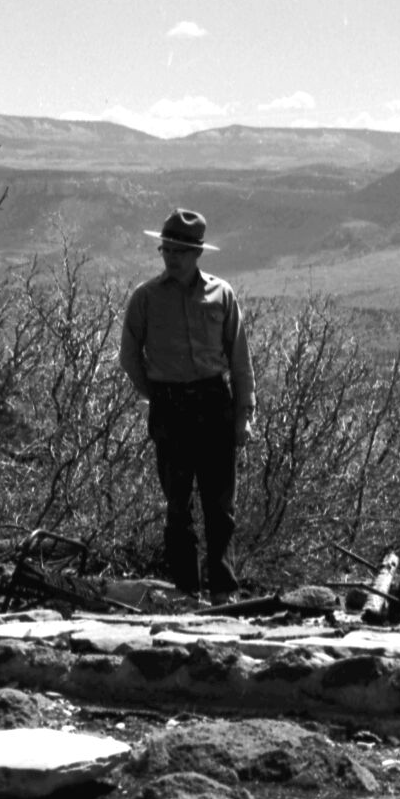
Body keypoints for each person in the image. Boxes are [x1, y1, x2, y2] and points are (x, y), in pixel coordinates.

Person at [120, 209, 252, 598]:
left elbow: (240, 360)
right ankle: (186, 593)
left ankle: (223, 593)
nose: (170, 257)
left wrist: (244, 415)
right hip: (170, 407)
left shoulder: (221, 293)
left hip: (214, 403)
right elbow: (129, 357)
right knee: (178, 508)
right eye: (166, 249)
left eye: (178, 250)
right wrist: (157, 395)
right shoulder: (146, 298)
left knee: (220, 507)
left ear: (196, 254)